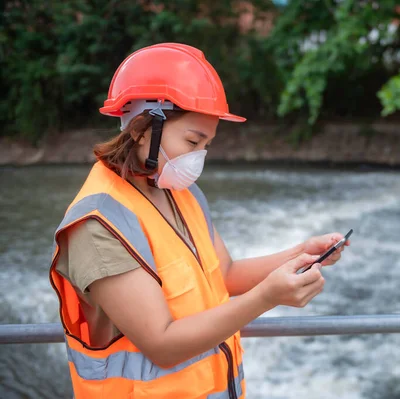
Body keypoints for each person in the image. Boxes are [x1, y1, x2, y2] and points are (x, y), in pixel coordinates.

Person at [49, 43, 349, 399]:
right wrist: (267, 298)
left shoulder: (179, 191)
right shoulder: (98, 225)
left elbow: (224, 275)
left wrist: (300, 254)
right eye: (193, 141)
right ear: (142, 130)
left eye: (207, 144)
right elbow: (161, 345)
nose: (199, 158)